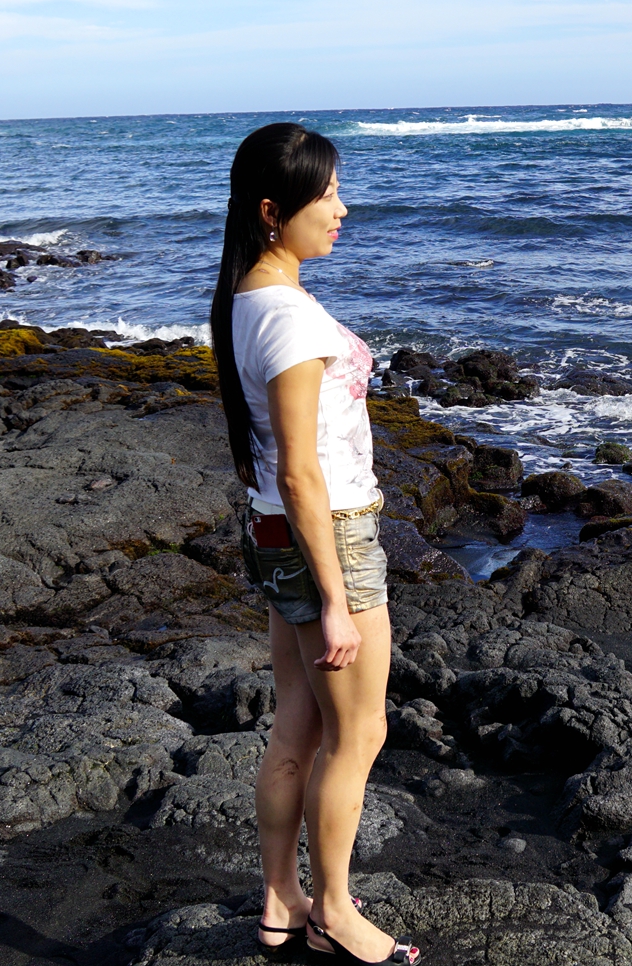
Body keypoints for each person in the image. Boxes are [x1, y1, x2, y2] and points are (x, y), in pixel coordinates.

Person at [209, 123, 419, 965]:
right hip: (323, 534)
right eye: (326, 194)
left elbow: (279, 472)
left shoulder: (245, 299)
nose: (341, 208)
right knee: (359, 732)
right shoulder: (289, 320)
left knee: (295, 725)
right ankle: (334, 907)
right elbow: (302, 473)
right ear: (272, 211)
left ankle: (279, 899)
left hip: (273, 531)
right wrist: (336, 600)